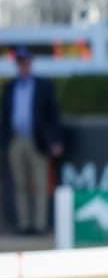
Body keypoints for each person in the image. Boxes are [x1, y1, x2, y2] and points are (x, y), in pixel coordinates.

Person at [6, 49, 64, 236]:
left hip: (36, 139)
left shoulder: (43, 86)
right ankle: (24, 224)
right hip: (16, 139)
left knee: (40, 183)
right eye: (20, 62)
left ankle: (39, 225)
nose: (23, 66)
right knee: (20, 184)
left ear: (30, 63)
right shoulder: (10, 87)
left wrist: (55, 141)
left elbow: (53, 115)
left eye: (26, 62)